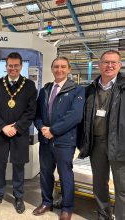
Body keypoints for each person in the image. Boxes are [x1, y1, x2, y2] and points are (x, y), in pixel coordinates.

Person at [33, 57, 85, 220]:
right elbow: (38, 115)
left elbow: (75, 116)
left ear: (69, 69)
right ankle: (46, 202)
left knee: (65, 174)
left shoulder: (77, 90)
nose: (59, 70)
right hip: (46, 140)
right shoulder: (45, 90)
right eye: (56, 67)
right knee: (46, 173)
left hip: (64, 140)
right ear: (52, 68)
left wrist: (53, 130)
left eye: (63, 67)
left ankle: (67, 208)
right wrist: (42, 128)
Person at [0, 52, 37, 214]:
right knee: (0, 164)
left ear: (21, 66)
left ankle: (18, 196)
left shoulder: (29, 86)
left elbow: (31, 111)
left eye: (16, 65)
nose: (13, 68)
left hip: (19, 133)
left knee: (18, 165)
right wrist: (3, 126)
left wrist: (16, 127)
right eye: (10, 65)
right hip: (1, 132)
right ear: (6, 66)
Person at [79, 50, 125, 220]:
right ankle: (104, 215)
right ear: (99, 64)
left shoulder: (123, 86)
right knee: (99, 184)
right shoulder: (90, 89)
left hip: (120, 143)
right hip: (97, 143)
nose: (109, 66)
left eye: (114, 62)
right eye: (106, 62)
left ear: (119, 65)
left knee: (122, 187)